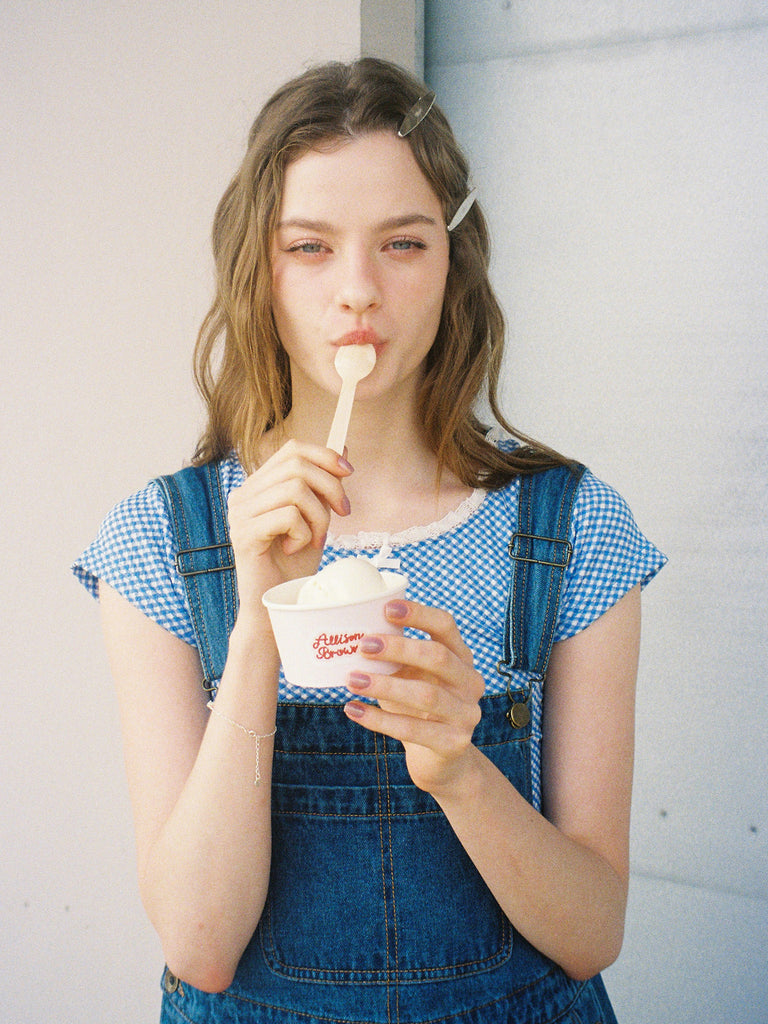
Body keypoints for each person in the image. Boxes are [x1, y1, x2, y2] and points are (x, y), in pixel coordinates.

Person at [74, 57, 665, 1024]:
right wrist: (259, 630)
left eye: (402, 243)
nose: (359, 291)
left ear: (452, 264)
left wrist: (460, 771)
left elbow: (592, 932)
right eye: (309, 247)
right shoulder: (159, 540)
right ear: (257, 271)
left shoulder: (575, 528)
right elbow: (200, 948)